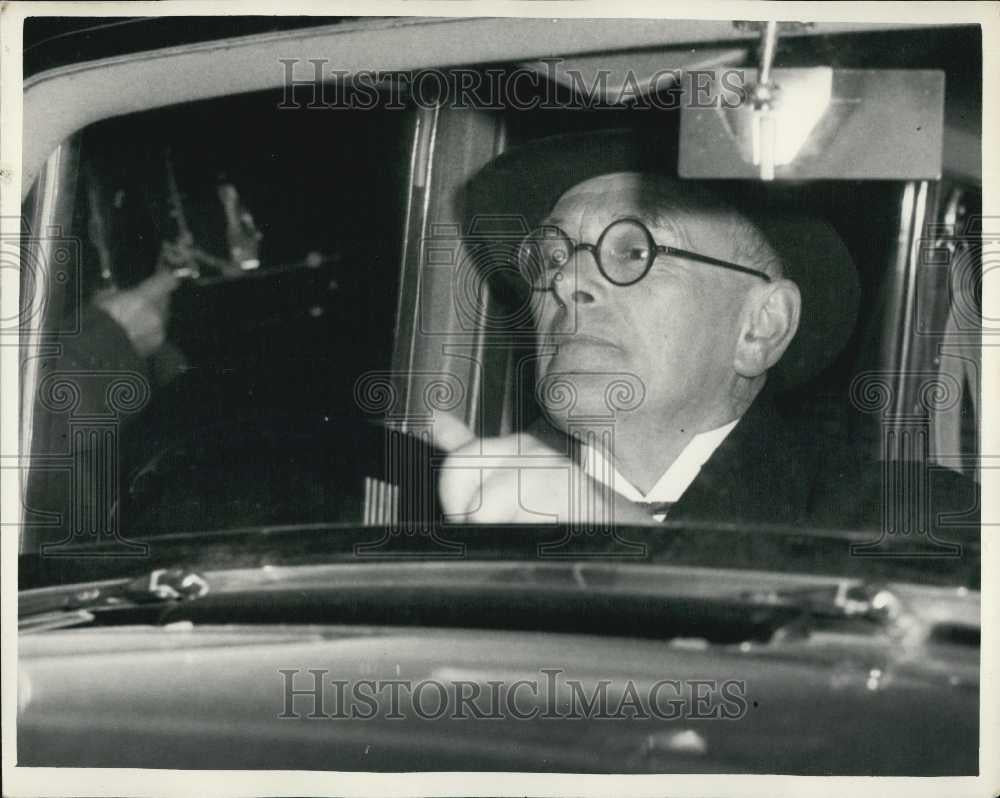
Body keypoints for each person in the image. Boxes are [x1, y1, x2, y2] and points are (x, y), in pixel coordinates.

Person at [433, 130, 976, 542]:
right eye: (552, 257)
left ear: (760, 327)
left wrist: (614, 535)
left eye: (633, 252)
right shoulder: (449, 522)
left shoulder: (914, 521)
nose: (566, 280)